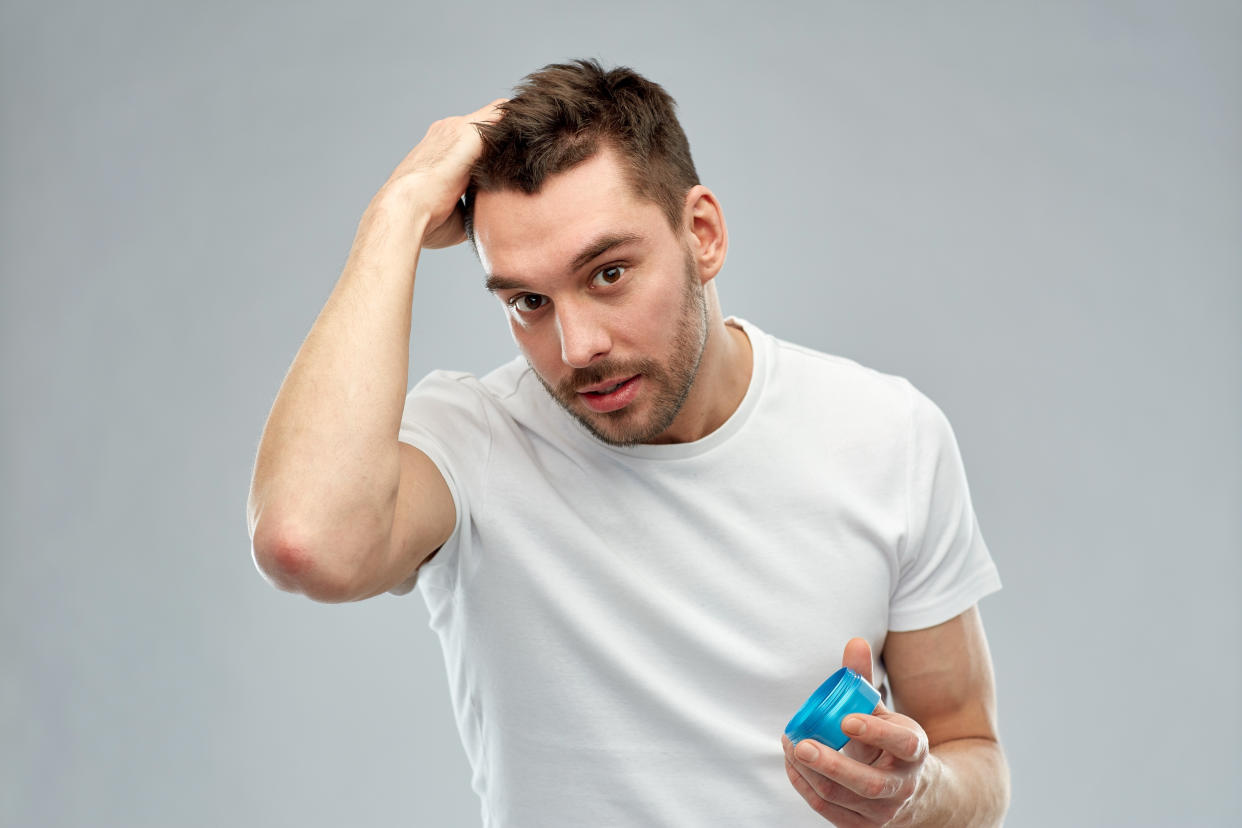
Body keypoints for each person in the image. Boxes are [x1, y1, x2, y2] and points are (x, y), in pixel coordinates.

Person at [247, 59, 1010, 827]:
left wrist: (915, 798)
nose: (577, 346)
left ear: (702, 235)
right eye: (527, 301)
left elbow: (968, 747)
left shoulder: (887, 433)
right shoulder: (475, 438)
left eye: (608, 273)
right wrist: (397, 215)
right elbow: (307, 541)